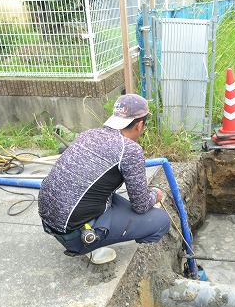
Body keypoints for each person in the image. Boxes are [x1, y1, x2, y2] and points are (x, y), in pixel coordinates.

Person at [38, 94, 171, 265]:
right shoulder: (129, 149)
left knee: (110, 196)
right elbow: (141, 205)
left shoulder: (88, 134)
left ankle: (92, 230)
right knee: (160, 221)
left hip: (50, 222)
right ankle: (91, 243)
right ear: (139, 125)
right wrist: (155, 195)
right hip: (73, 235)